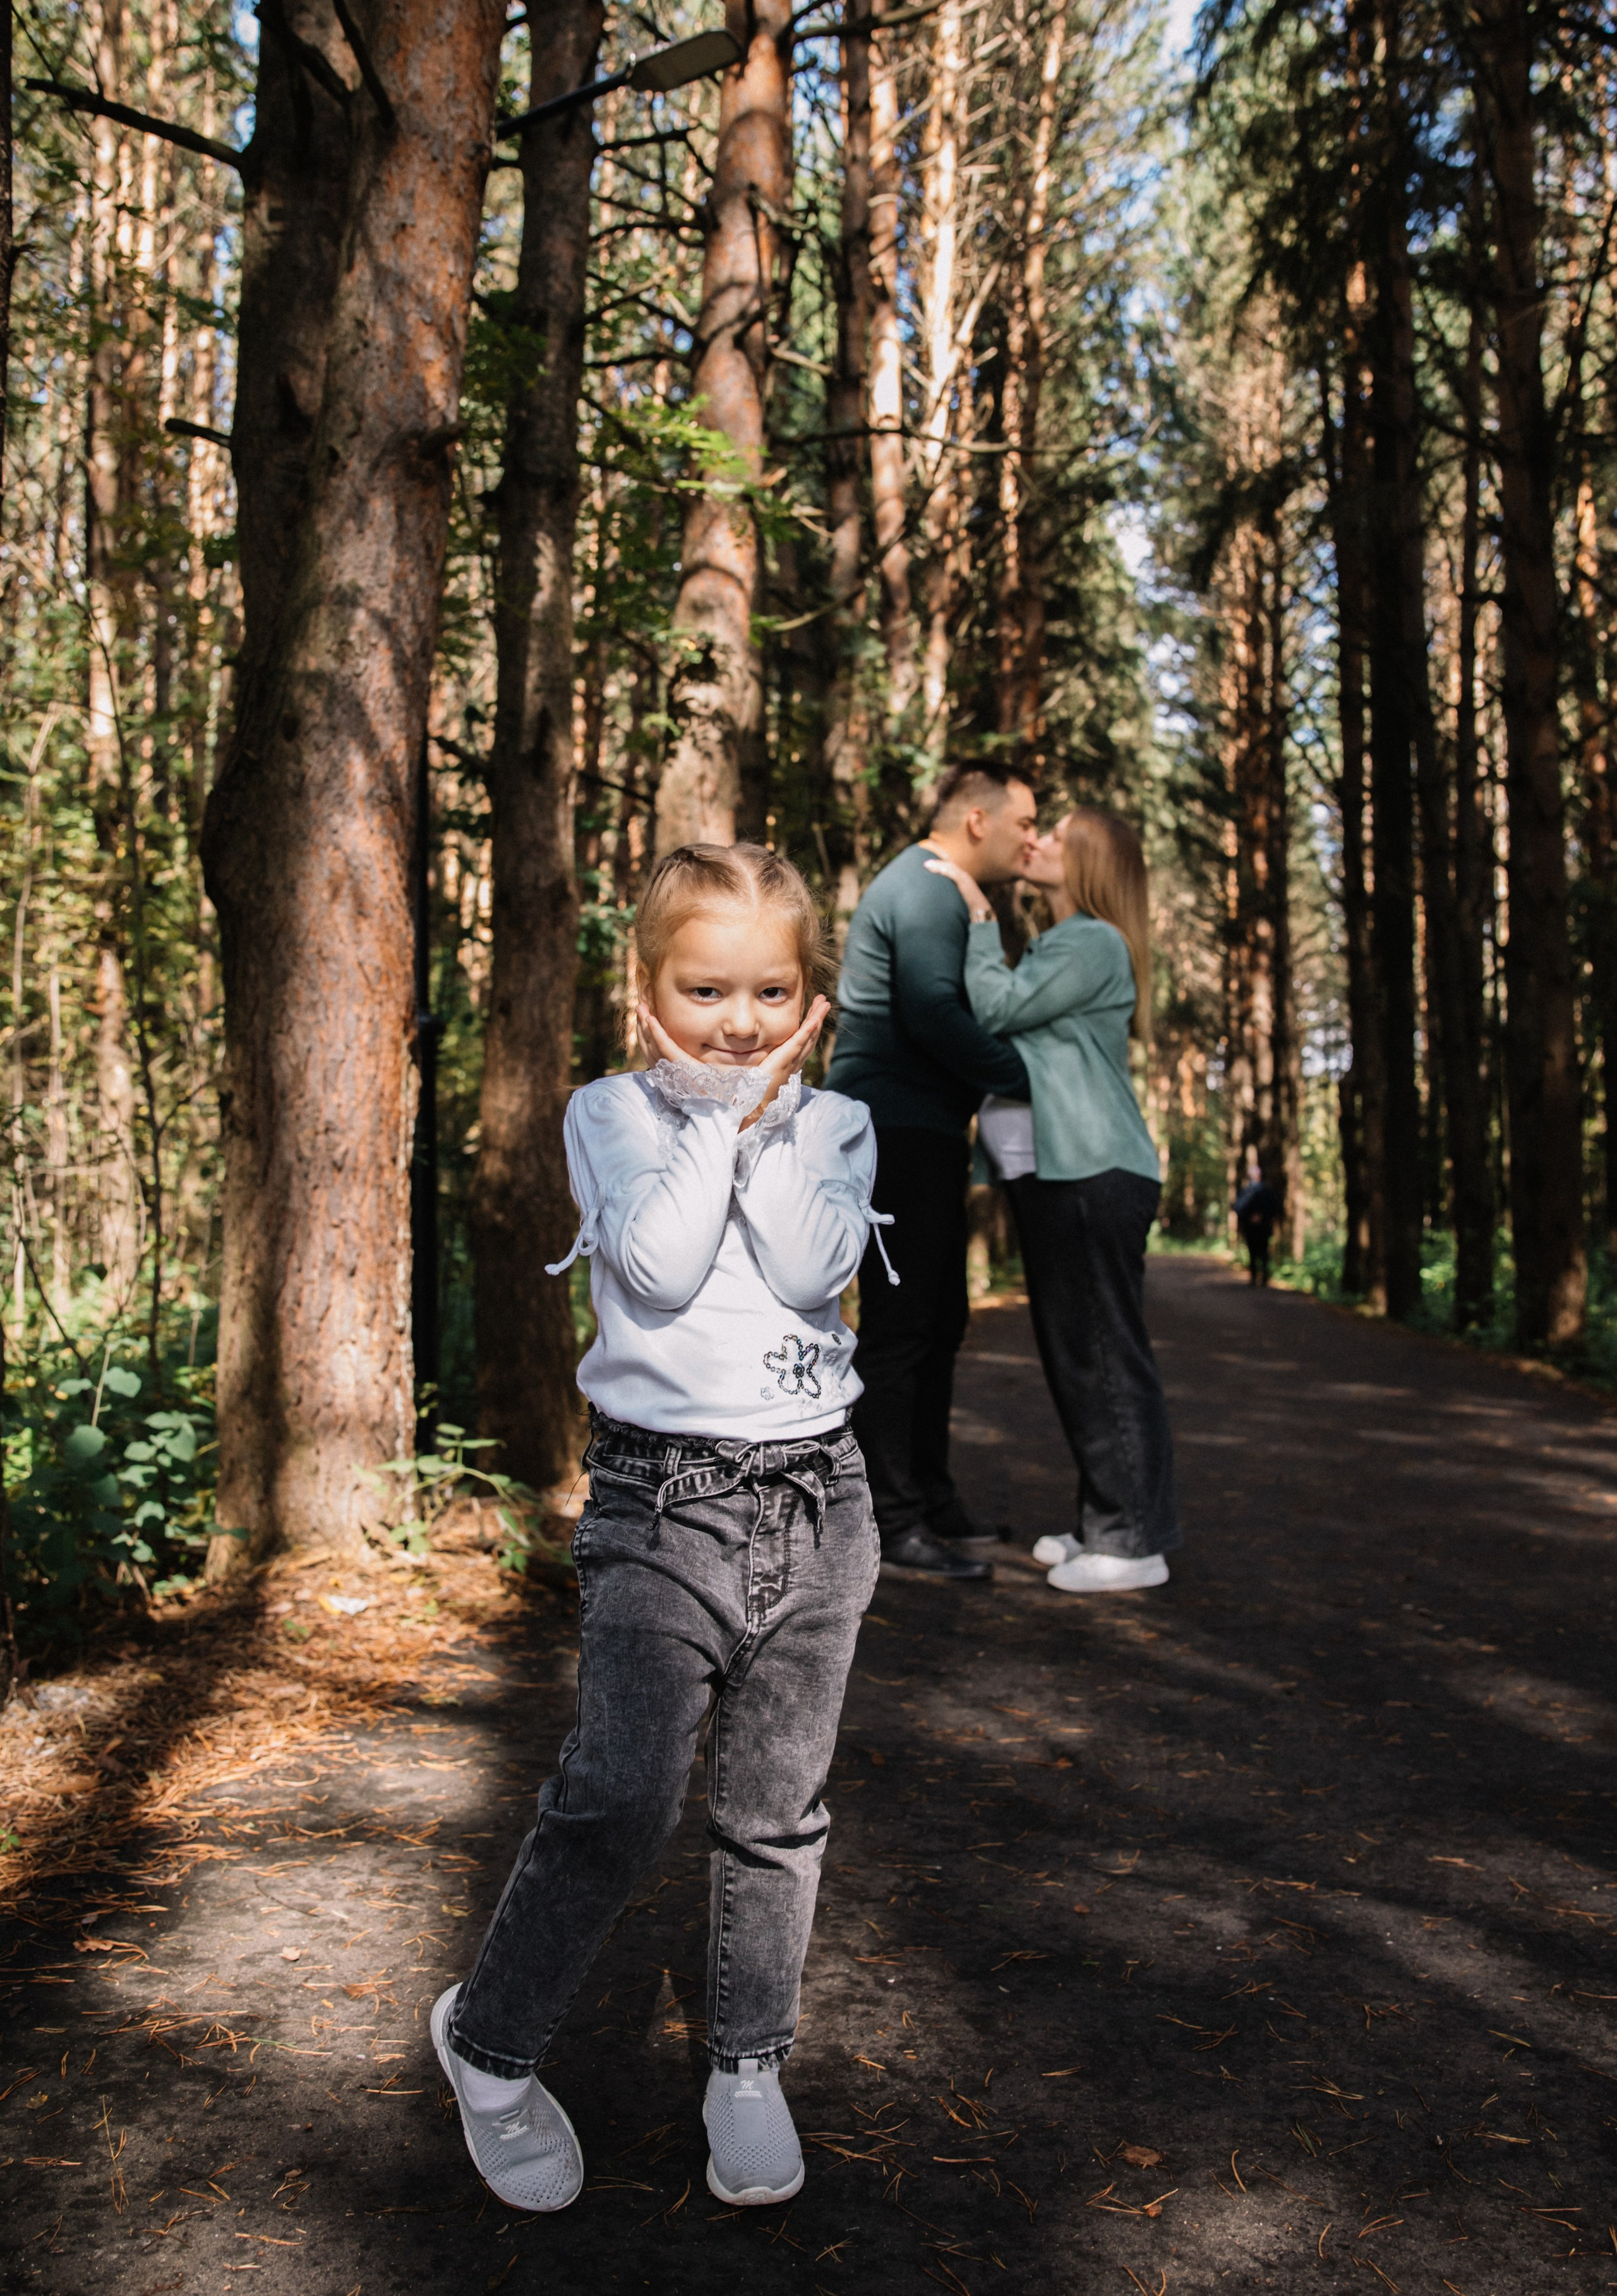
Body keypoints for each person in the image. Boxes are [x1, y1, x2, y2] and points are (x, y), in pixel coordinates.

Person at [433, 844, 886, 2216]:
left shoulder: (838, 1124)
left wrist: (767, 1118)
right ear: (646, 990)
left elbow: (809, 1265)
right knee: (621, 1796)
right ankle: (489, 2046)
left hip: (820, 1504)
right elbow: (662, 1264)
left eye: (770, 993)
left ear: (809, 998)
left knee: (775, 1814)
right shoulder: (611, 1114)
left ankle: (746, 2064)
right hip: (658, 1503)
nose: (739, 1023)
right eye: (704, 991)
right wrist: (714, 1118)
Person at [927, 806, 1181, 1595]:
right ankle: (1107, 1520)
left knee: (1102, 1352)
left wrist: (979, 919)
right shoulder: (1066, 941)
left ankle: (1131, 1542)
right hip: (1059, 1173)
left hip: (1091, 1171)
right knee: (1079, 1353)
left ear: (1090, 864)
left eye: (1057, 838)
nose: (1035, 840)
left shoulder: (1093, 941)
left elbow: (997, 1010)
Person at [826, 762, 1038, 1579]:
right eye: (1024, 823)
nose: (1030, 840)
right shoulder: (923, 887)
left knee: (940, 1320)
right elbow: (932, 1012)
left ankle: (930, 1496)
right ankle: (887, 1518)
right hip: (895, 1130)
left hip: (927, 1130)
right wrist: (1028, 1077)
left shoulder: (942, 890)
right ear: (978, 820)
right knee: (903, 1326)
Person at [1234, 1170, 1282, 1285]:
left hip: (1263, 1227)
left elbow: (1274, 1207)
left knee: (1263, 1252)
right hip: (1251, 1227)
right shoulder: (1246, 1191)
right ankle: (1255, 1277)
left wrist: (1262, 1217)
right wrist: (1250, 1218)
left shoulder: (1266, 1191)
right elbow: (1238, 1208)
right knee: (1254, 1251)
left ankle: (1263, 1277)